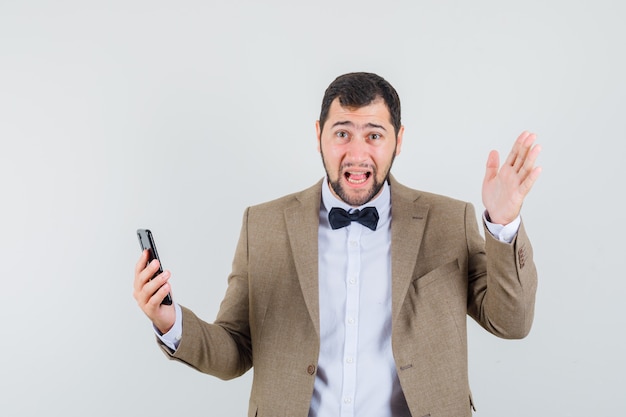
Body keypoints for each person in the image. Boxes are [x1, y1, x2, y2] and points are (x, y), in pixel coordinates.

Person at [133, 72, 541, 417]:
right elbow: (235, 350)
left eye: (374, 135)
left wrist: (502, 222)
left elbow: (511, 322)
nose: (357, 153)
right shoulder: (264, 226)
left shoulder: (449, 221)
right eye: (342, 133)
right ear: (319, 136)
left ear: (398, 140)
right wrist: (171, 322)